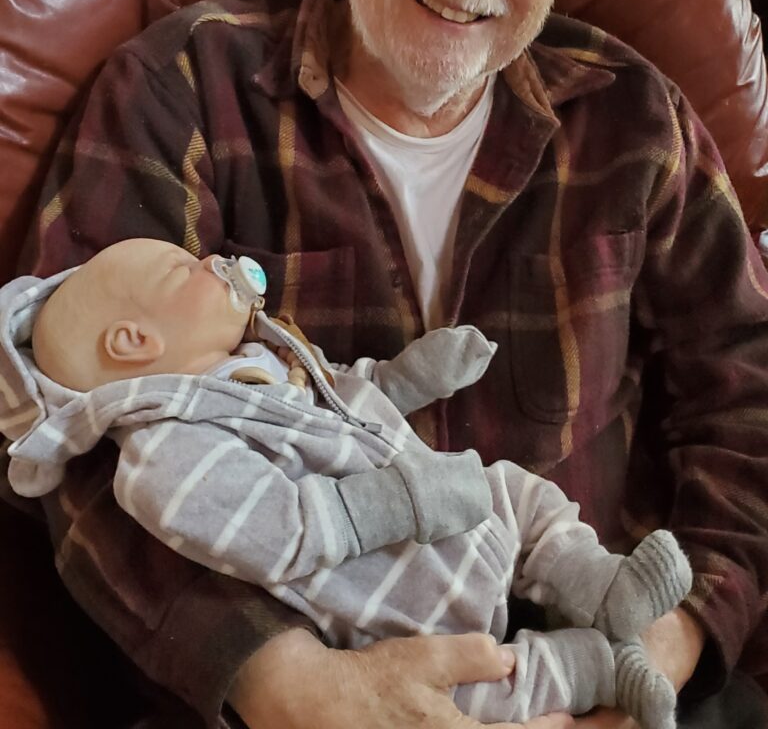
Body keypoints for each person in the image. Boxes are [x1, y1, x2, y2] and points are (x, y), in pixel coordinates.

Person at [12, 0, 768, 728]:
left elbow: (749, 397)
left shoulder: (637, 120)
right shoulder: (182, 90)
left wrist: (668, 646)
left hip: (609, 648)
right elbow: (80, 447)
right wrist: (287, 682)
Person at [2, 238, 693, 727]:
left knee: (520, 492)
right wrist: (402, 502)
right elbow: (282, 532)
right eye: (186, 267)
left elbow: (338, 395)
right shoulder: (164, 456)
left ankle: (603, 585)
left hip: (458, 509)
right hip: (403, 605)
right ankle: (597, 668)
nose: (217, 259)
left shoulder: (255, 358)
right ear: (133, 343)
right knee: (481, 686)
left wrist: (410, 377)